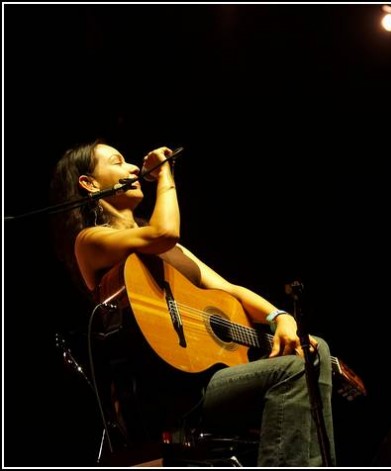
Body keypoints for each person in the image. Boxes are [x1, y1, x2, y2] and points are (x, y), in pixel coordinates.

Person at [48, 140, 336, 466]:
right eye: (117, 161)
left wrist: (280, 317)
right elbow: (165, 232)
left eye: (130, 162)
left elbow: (230, 290)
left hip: (205, 381)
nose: (132, 168)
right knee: (293, 369)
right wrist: (166, 172)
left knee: (316, 352)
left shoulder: (167, 251)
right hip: (167, 395)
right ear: (89, 184)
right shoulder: (90, 241)